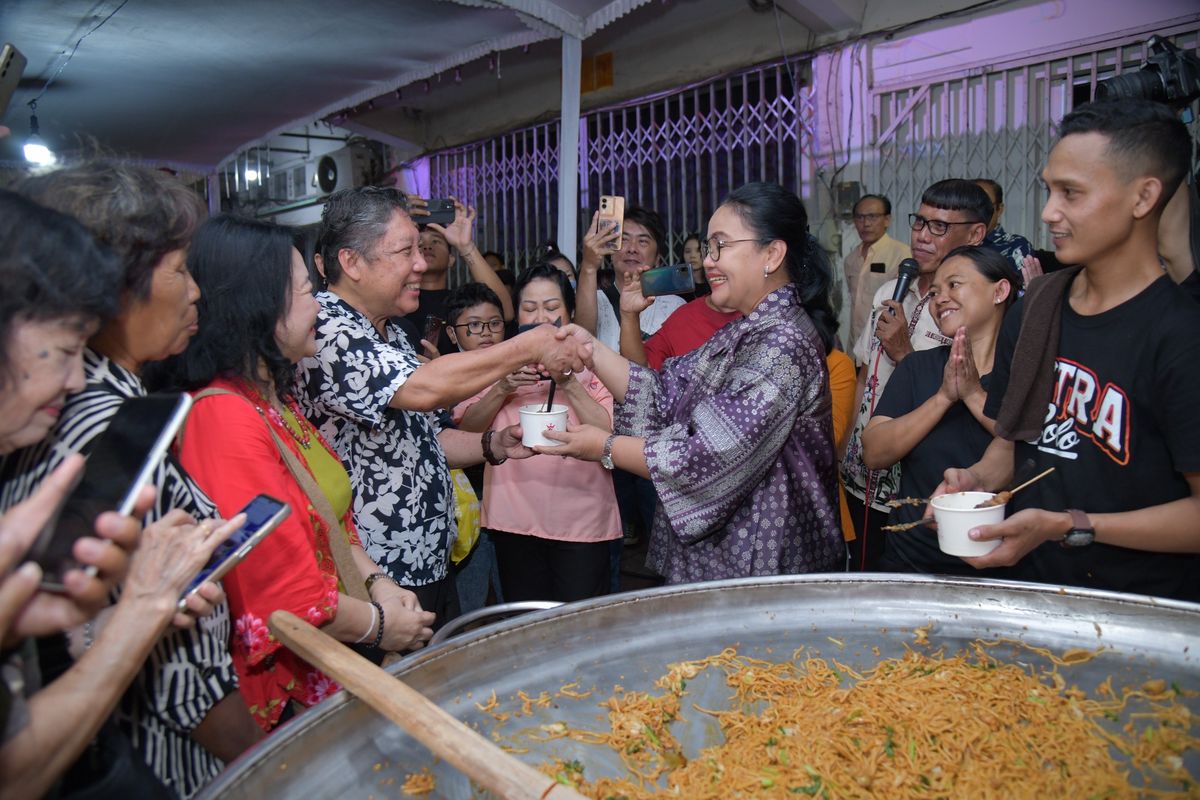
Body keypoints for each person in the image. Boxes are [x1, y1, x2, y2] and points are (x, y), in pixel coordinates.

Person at [7, 163, 261, 798]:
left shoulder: (67, 409)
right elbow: (182, 683)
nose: (196, 291)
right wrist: (270, 768)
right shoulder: (102, 427)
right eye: (180, 269)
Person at [159, 215, 436, 731]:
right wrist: (379, 625)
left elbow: (328, 519)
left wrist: (378, 583)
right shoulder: (223, 417)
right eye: (308, 292)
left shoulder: (271, 401)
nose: (320, 308)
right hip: (280, 696)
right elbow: (279, 595)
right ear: (258, 306)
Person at [935, 99, 1200, 602]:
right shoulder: (1037, 308)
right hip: (1031, 591)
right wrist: (974, 482)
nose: (1048, 212)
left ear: (1144, 197)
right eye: (1049, 190)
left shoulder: (1181, 334)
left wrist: (1071, 524)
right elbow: (1013, 444)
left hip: (1135, 606)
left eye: (1071, 193)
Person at [295, 187, 589, 627]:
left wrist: (493, 444)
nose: (420, 263)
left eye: (420, 249)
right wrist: (531, 343)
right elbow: (424, 388)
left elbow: (428, 436)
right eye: (405, 251)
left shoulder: (394, 332)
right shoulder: (327, 329)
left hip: (427, 559)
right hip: (375, 575)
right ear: (351, 262)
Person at [543, 182, 843, 583]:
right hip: (729, 562)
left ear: (772, 254)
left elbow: (707, 456)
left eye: (721, 247)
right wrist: (589, 347)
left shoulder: (782, 342)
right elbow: (666, 393)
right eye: (707, 248)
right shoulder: (747, 329)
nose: (708, 262)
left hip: (762, 569)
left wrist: (604, 446)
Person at [840, 179, 991, 571]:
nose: (922, 236)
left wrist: (904, 352)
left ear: (975, 234)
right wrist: (848, 447)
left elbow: (961, 395)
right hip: (865, 469)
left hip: (921, 483)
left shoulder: (967, 310)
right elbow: (865, 375)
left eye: (938, 227)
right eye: (919, 222)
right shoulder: (890, 292)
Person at [453, 265, 621, 601]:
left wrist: (567, 381)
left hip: (583, 522)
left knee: (579, 621)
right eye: (529, 308)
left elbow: (607, 435)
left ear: (570, 313)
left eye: (552, 307)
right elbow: (467, 431)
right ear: (517, 316)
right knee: (526, 619)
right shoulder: (498, 363)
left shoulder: (594, 363)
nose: (541, 317)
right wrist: (502, 388)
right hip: (513, 521)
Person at [861, 246, 1018, 575]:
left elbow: (1026, 443)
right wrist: (943, 397)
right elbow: (874, 453)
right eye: (934, 292)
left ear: (1000, 291)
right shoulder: (918, 366)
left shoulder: (1024, 372)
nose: (940, 299)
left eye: (954, 285)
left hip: (1001, 560)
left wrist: (973, 393)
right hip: (912, 556)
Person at [442, 282, 507, 613]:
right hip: (470, 498)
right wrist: (502, 388)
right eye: (474, 325)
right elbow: (466, 431)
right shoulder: (445, 376)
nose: (486, 333)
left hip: (511, 493)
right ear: (452, 333)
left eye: (494, 323)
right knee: (469, 598)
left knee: (512, 593)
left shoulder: (517, 365)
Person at [575, 205, 687, 353]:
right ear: (611, 251)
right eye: (624, 240)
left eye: (643, 241)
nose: (632, 249)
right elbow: (581, 343)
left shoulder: (675, 307)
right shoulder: (593, 301)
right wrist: (589, 266)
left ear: (657, 258)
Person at [407, 202, 513, 356]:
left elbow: (504, 310)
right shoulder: (398, 302)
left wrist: (465, 245)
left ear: (451, 259)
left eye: (436, 241)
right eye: (420, 244)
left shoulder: (462, 302)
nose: (427, 247)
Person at [842, 194, 912, 346]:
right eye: (860, 217)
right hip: (855, 344)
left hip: (885, 345)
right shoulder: (850, 259)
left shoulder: (902, 255)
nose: (865, 223)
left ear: (887, 220)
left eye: (872, 217)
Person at [974, 178, 1035, 277]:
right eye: (971, 205)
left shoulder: (1016, 245)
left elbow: (1023, 286)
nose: (978, 212)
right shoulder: (955, 242)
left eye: (986, 206)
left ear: (999, 210)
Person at [681, 232, 709, 298]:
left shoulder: (712, 285)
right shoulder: (679, 287)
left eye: (698, 250)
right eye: (688, 251)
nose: (692, 256)